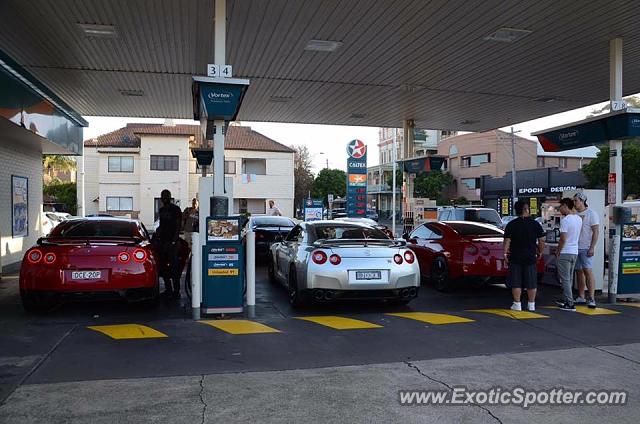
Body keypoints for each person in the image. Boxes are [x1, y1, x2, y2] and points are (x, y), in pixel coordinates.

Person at [503, 200, 546, 311]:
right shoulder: (535, 224)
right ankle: (531, 304)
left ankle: (517, 304)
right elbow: (541, 240)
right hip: (530, 256)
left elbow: (507, 241)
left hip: (515, 256)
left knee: (516, 281)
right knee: (531, 281)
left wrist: (504, 254)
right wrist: (540, 252)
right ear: (526, 209)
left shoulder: (511, 224)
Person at [573, 192, 599, 309]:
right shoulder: (574, 214)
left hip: (586, 246)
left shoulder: (591, 214)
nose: (574, 203)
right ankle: (581, 296)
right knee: (579, 271)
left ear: (582, 201)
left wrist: (592, 247)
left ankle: (592, 297)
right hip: (575, 247)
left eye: (576, 201)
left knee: (587, 270)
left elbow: (596, 231)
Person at [555, 198, 582, 311]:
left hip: (565, 252)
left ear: (566, 206)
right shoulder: (579, 219)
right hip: (574, 251)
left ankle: (570, 303)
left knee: (565, 278)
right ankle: (566, 299)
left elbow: (563, 238)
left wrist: (558, 251)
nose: (559, 209)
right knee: (569, 278)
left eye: (560, 206)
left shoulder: (565, 220)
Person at [156, 189, 183, 299]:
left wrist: (174, 240)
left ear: (170, 197)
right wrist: (158, 235)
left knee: (174, 268)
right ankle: (168, 290)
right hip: (163, 242)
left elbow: (178, 225)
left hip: (172, 243)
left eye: (166, 196)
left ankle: (176, 292)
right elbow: (161, 225)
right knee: (163, 267)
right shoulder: (161, 210)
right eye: (163, 196)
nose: (164, 198)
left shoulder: (176, 209)